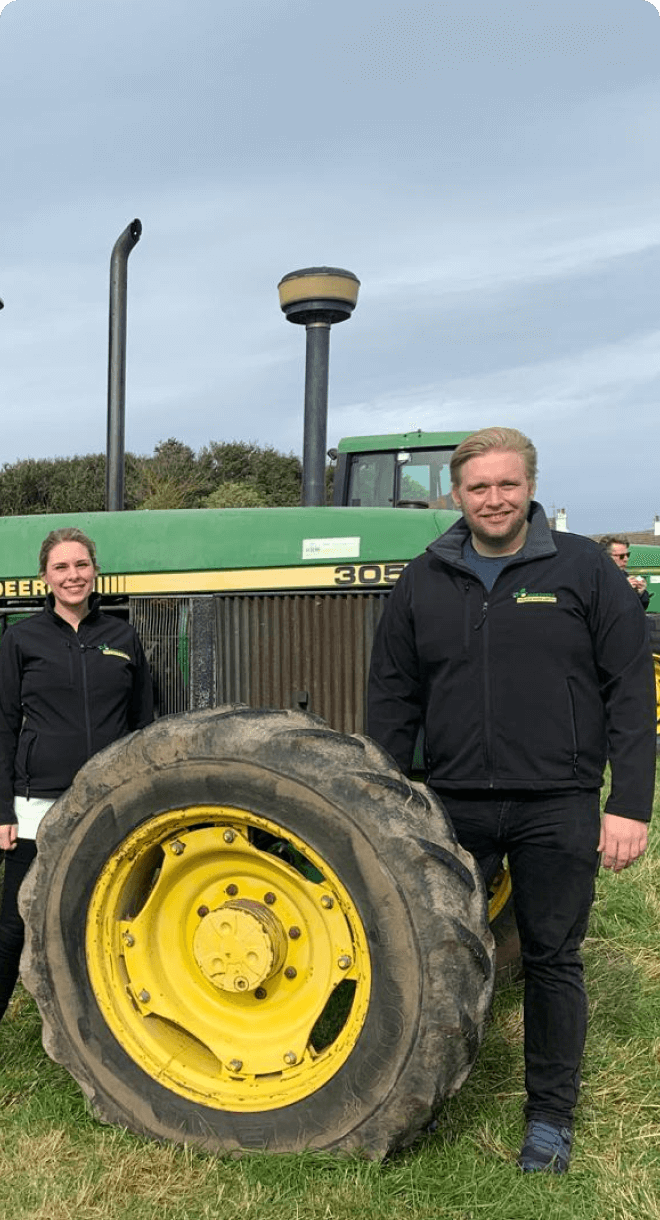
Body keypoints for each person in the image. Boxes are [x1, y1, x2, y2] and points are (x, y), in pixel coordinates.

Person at [368, 427, 656, 1174]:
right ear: (456, 495)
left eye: (507, 484)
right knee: (426, 956)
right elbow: (393, 697)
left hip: (556, 802)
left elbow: (629, 690)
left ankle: (550, 1118)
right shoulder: (423, 580)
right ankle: (421, 1099)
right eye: (478, 487)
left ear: (529, 486)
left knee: (553, 960)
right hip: (453, 803)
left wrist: (628, 803)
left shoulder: (583, 568)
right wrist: (387, 803)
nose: (493, 499)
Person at [0, 527, 153, 1021]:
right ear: (44, 577)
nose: (73, 575)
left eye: (81, 565)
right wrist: (3, 807)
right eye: (62, 567)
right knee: (15, 921)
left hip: (108, 798)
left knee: (109, 912)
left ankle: (110, 1020)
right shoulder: (21, 638)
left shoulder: (122, 637)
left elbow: (141, 725)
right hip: (37, 801)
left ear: (95, 570)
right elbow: (3, 725)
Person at [599, 534, 650, 608]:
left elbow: (640, 608)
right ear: (606, 556)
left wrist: (640, 593)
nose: (626, 559)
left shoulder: (624, 575)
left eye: (627, 555)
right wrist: (623, 588)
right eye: (621, 556)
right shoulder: (596, 578)